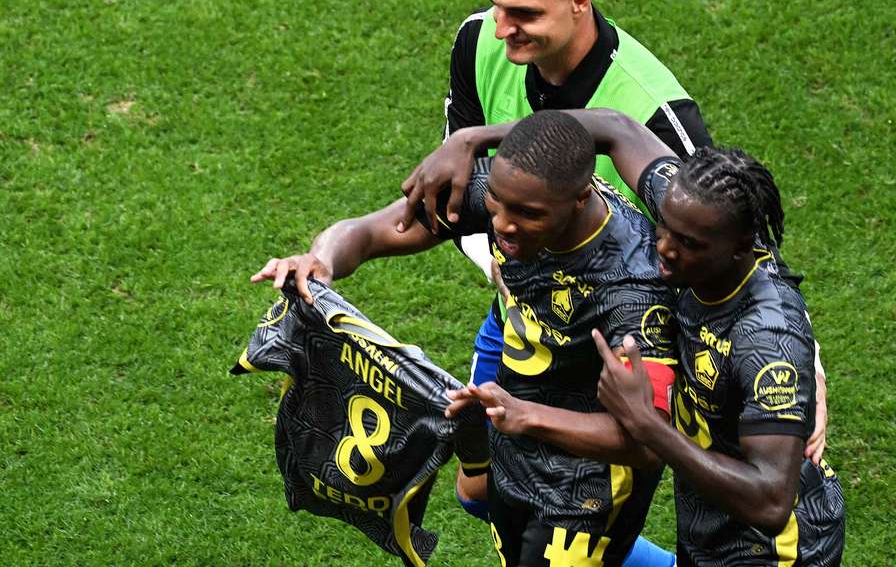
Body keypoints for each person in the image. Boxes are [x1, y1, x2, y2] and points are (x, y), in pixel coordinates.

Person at [254, 111, 680, 566]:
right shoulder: (507, 196)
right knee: (483, 511)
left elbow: (651, 442)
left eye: (527, 215)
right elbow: (375, 229)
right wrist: (321, 262)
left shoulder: (632, 288)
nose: (503, 226)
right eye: (496, 205)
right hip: (515, 440)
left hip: (590, 485)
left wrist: (525, 416)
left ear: (581, 198)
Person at [395, 0, 712, 540]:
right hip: (525, 315)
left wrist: (797, 359)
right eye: (497, 6)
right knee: (480, 492)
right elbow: (462, 190)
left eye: (523, 15)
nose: (501, 28)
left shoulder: (656, 115)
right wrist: (493, 250)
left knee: (584, 512)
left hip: (618, 342)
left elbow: (730, 250)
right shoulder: (478, 44)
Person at [569, 108, 844, 565]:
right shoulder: (691, 211)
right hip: (708, 523)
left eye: (689, 243)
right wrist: (472, 142)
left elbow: (771, 502)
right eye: (664, 228)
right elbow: (615, 129)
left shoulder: (765, 336)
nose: (665, 249)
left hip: (770, 550)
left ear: (742, 246)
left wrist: (646, 424)